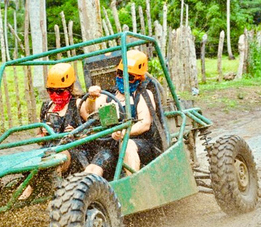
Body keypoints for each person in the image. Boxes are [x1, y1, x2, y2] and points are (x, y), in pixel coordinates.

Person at [81, 49, 161, 176]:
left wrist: (124, 133)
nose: (122, 78)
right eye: (120, 73)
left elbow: (145, 123)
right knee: (92, 168)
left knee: (127, 146)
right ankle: (86, 191)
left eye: (128, 77)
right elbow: (89, 110)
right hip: (111, 145)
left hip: (138, 143)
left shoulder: (143, 95)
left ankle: (134, 188)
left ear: (139, 79)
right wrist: (91, 97)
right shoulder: (109, 96)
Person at [20, 63, 84, 199]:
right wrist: (42, 135)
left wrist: (77, 133)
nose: (55, 95)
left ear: (70, 88)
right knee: (32, 159)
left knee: (55, 158)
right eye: (51, 91)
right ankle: (22, 194)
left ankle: (55, 197)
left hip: (73, 151)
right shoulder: (46, 107)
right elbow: (39, 140)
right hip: (48, 149)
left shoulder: (78, 104)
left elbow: (91, 131)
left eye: (60, 91)